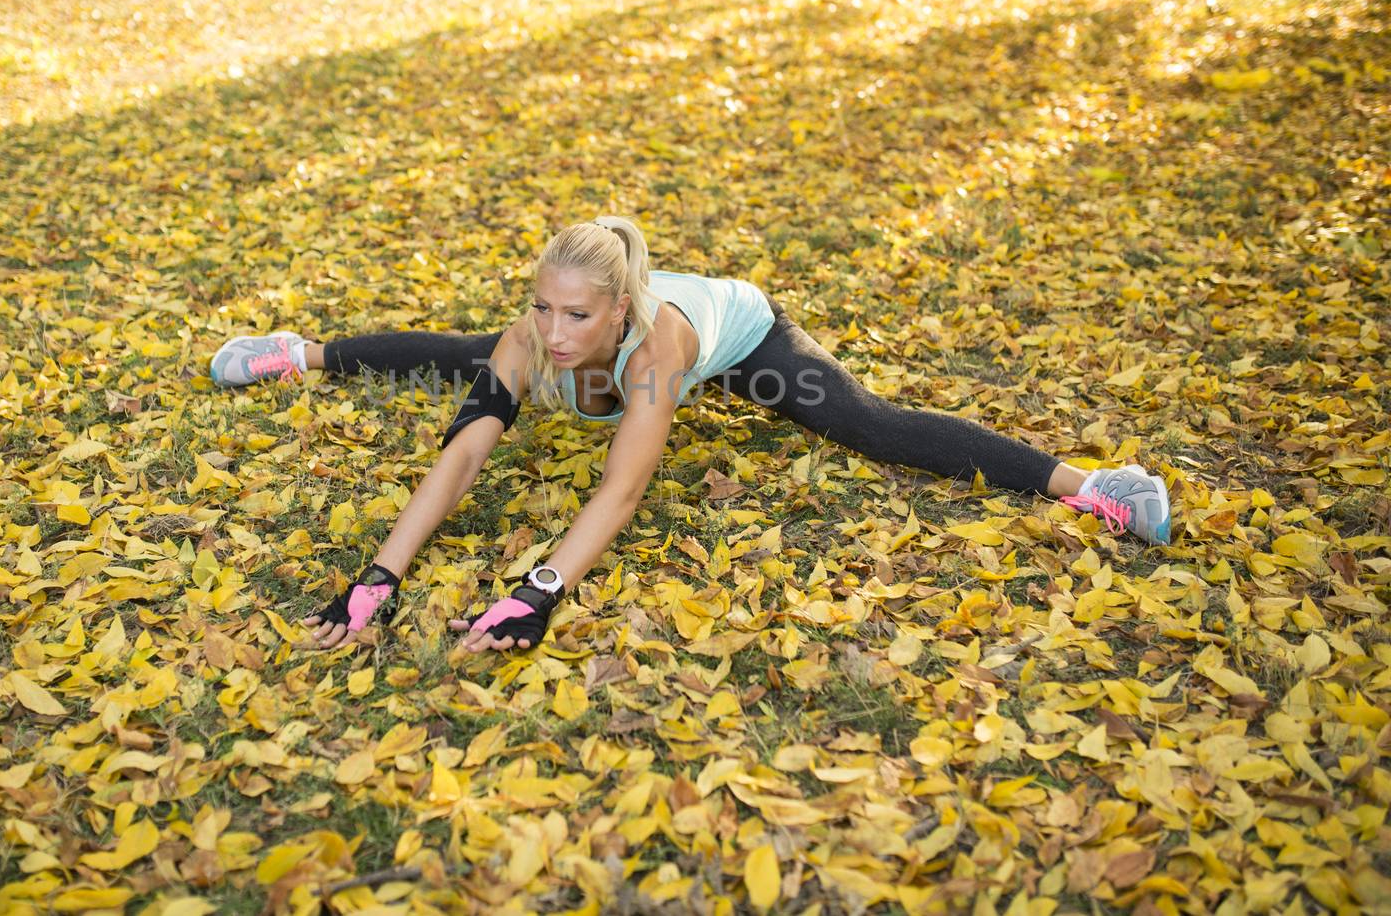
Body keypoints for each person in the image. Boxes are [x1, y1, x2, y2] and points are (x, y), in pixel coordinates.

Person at [210, 217, 1173, 655]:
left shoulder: (658, 348)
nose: (551, 332)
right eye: (542, 308)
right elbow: (462, 454)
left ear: (619, 309)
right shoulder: (532, 336)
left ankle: (1095, 484)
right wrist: (378, 574)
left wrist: (537, 591)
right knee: (466, 358)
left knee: (864, 423)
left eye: (576, 317)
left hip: (741, 334)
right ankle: (303, 351)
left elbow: (620, 490)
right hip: (622, 345)